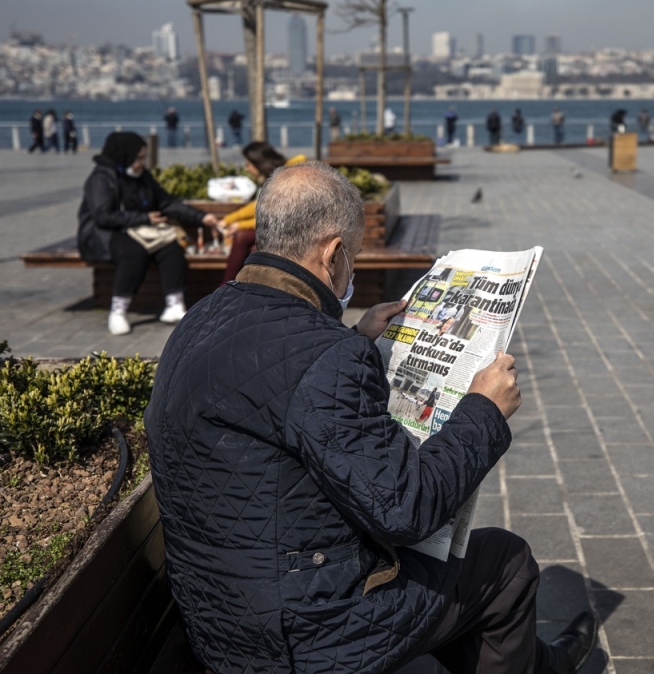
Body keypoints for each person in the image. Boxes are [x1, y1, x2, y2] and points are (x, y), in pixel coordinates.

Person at [145, 161, 597, 674]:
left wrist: (355, 340)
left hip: (219, 618)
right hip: (302, 636)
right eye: (353, 257)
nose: (351, 269)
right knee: (504, 563)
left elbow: (268, 387)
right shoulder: (324, 357)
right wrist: (484, 411)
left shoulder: (200, 318)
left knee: (451, 577)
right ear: (334, 253)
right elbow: (406, 510)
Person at [76, 132, 220, 335]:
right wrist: (145, 219)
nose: (142, 163)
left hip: (140, 229)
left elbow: (166, 203)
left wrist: (201, 217)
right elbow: (103, 216)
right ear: (125, 156)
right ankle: (118, 309)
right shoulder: (101, 178)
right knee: (134, 252)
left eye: (143, 158)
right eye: (139, 158)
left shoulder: (142, 176)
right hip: (105, 234)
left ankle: (175, 303)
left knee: (170, 246)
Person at [216, 142, 292, 284]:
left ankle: (225, 287)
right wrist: (229, 220)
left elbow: (274, 215)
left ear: (259, 162)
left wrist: (240, 225)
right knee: (251, 248)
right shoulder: (270, 180)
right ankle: (232, 288)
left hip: (288, 230)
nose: (247, 169)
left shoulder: (285, 177)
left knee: (242, 237)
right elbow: (259, 207)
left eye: (248, 164)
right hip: (276, 230)